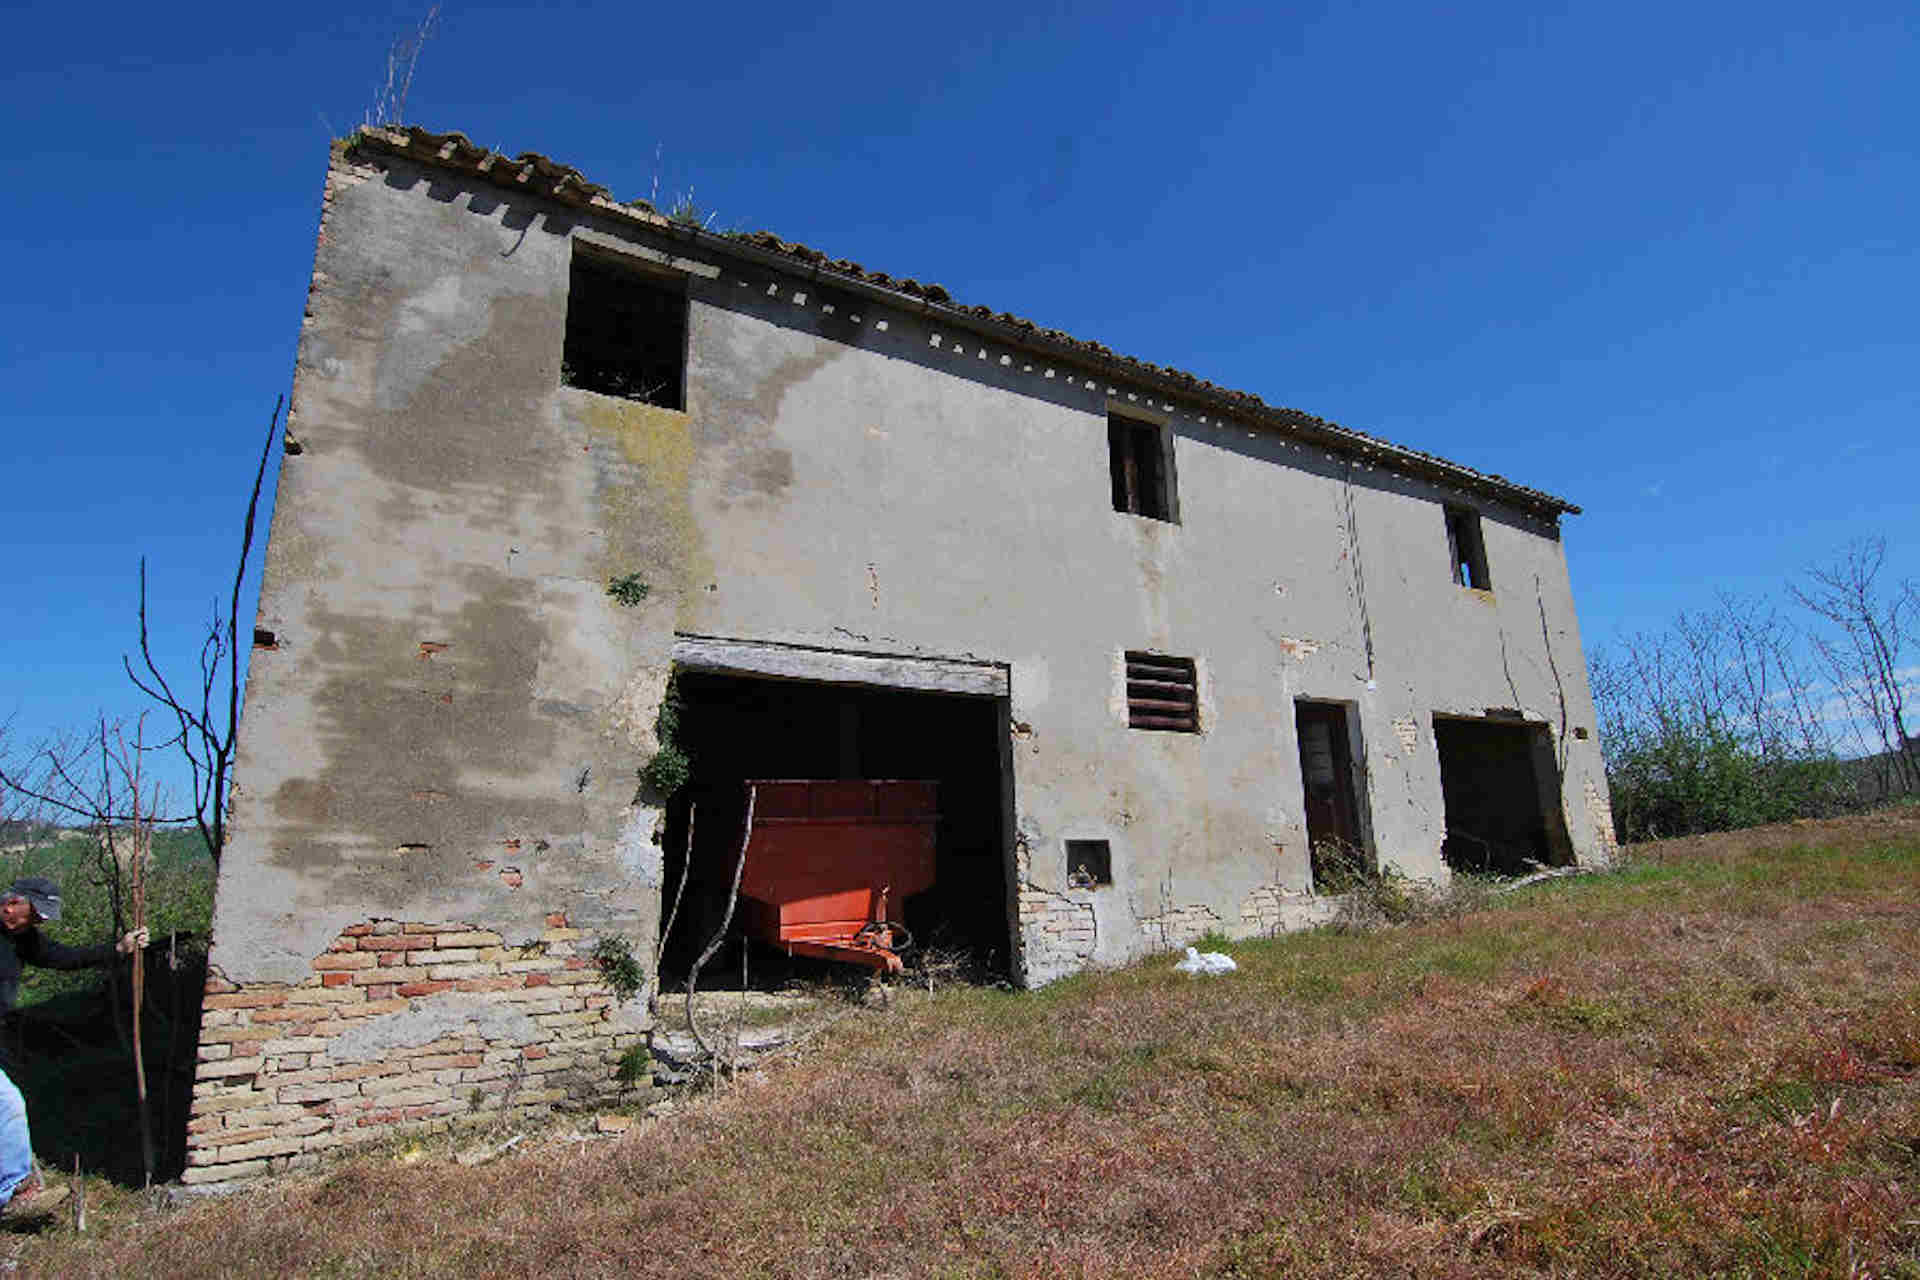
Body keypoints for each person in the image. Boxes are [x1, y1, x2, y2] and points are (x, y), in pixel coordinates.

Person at [0, 876, 146, 1216]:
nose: (38, 923)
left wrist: (117, 950)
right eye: (34, 915)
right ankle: (12, 1195)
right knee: (8, 1105)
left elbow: (62, 957)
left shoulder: (21, 938)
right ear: (12, 905)